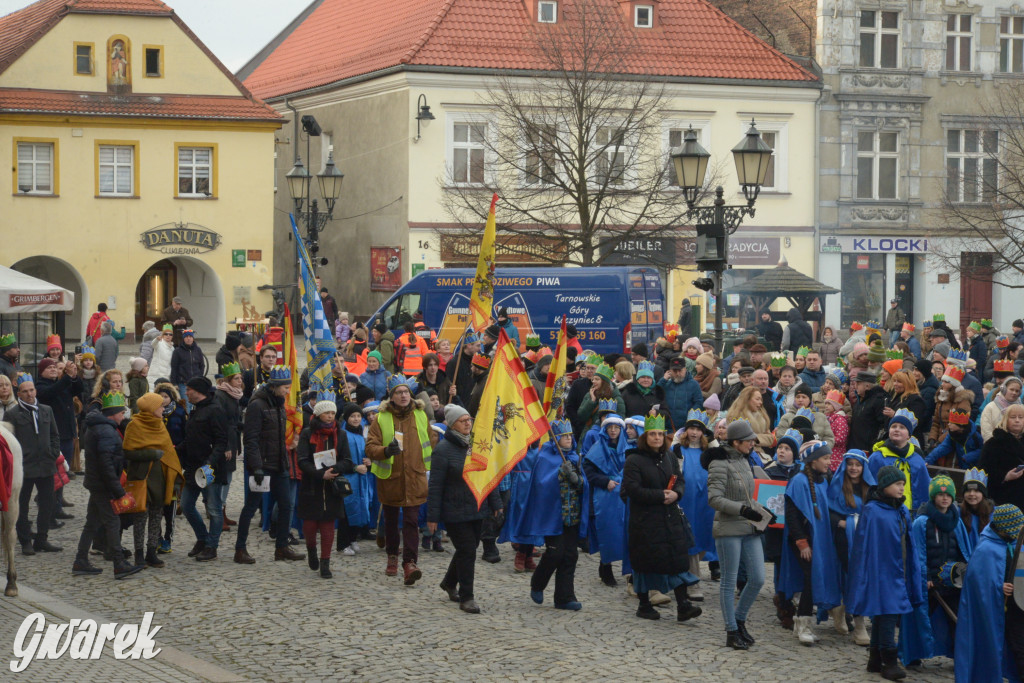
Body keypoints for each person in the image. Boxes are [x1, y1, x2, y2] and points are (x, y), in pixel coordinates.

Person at [621, 414, 703, 623]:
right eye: (653, 434)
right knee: (645, 564)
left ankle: (683, 605)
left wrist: (677, 494)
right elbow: (631, 489)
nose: (657, 438)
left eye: (660, 434)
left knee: (677, 560)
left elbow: (680, 480)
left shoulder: (669, 457)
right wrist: (659, 496)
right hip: (645, 521)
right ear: (645, 436)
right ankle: (644, 604)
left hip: (669, 517)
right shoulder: (634, 460)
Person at [847, 465, 924, 681]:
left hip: (898, 572)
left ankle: (874, 659)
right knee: (888, 615)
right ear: (886, 486)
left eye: (903, 485)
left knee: (883, 616)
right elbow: (865, 546)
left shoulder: (899, 509)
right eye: (898, 484)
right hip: (883, 572)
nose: (902, 489)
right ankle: (889, 661)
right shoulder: (873, 511)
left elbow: (907, 543)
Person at [428, 404, 503, 613]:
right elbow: (435, 485)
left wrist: (496, 503)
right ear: (452, 425)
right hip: (454, 509)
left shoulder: (476, 445)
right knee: (468, 550)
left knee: (467, 548)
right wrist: (432, 517)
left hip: (477, 506)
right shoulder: (442, 450)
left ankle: (449, 582)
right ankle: (467, 596)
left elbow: (487, 475)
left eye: (469, 419)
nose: (468, 423)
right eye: (463, 421)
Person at [365, 375, 439, 585]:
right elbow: (370, 447)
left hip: (415, 476)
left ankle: (410, 563)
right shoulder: (381, 418)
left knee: (411, 521)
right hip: (391, 478)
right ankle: (392, 556)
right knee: (391, 521)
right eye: (399, 392)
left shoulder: (420, 415)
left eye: (406, 392)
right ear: (392, 396)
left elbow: (431, 441)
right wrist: (386, 450)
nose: (403, 395)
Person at [706, 419, 767, 650]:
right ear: (736, 441)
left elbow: (749, 494)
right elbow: (714, 499)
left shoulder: (745, 460)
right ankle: (731, 630)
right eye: (749, 440)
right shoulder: (719, 463)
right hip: (729, 528)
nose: (753, 443)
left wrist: (762, 511)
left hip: (749, 527)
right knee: (729, 581)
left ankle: (740, 620)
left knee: (758, 578)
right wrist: (742, 509)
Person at [899, 475, 971, 667]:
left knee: (956, 620)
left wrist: (965, 574)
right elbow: (917, 553)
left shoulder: (957, 521)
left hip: (953, 581)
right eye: (940, 494)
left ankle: (959, 657)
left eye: (948, 494)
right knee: (919, 617)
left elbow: (963, 551)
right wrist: (926, 577)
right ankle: (912, 654)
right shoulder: (921, 522)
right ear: (933, 497)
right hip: (930, 581)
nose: (944, 498)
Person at [515, 419, 588, 611]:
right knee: (555, 553)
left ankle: (564, 597)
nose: (569, 440)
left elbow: (584, 485)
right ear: (556, 438)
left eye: (570, 436)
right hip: (553, 515)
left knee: (570, 555)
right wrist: (559, 475)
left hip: (572, 514)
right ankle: (538, 583)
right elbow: (541, 485)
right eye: (564, 436)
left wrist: (576, 479)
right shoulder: (545, 458)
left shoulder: (574, 457)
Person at [72, 391, 143, 580]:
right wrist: (118, 491)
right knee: (112, 521)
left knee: (92, 523)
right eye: (122, 412)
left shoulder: (98, 427)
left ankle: (80, 560)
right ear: (114, 413)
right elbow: (106, 465)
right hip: (103, 486)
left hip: (96, 483)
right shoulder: (107, 431)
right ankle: (119, 563)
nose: (123, 416)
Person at [236, 367, 304, 563]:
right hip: (262, 467)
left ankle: (282, 547)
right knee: (250, 507)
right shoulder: (257, 405)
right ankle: (240, 549)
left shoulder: (279, 403)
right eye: (284, 387)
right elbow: (250, 439)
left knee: (286, 505)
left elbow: (280, 437)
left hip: (279, 464)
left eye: (289, 387)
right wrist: (256, 466)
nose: (287, 391)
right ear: (274, 386)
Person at [780, 440, 842, 645]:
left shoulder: (824, 480)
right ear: (813, 460)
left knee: (814, 580)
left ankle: (803, 623)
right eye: (825, 458)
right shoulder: (799, 481)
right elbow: (792, 515)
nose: (829, 461)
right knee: (810, 580)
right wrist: (802, 542)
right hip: (803, 541)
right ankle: (803, 625)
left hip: (820, 541)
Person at [954, 503, 1024, 682]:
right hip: (994, 610)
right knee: (1000, 645)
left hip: (1017, 607)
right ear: (1005, 528)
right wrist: (999, 587)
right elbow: (978, 583)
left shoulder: (1017, 544)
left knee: (1019, 646)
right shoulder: (986, 548)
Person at [121, 392, 183, 569]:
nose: (163, 408)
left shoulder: (160, 424)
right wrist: (151, 454)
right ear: (151, 408)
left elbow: (168, 452)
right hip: (142, 478)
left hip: (161, 477)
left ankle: (151, 552)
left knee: (157, 515)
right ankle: (139, 554)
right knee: (141, 516)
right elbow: (128, 451)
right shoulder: (135, 425)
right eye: (160, 406)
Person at [296, 391, 354, 580]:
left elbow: (347, 459)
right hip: (312, 485)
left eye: (332, 412)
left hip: (332, 486)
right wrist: (321, 474)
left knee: (328, 525)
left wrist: (335, 469)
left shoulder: (341, 434)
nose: (330, 416)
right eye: (327, 412)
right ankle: (312, 549)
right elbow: (302, 460)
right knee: (311, 524)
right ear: (319, 414)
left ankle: (325, 562)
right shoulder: (307, 433)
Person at [9, 373, 62, 554]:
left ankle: (42, 538)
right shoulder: (12, 414)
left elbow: (55, 435)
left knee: (48, 504)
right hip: (24, 467)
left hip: (46, 464)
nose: (30, 394)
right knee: (21, 506)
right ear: (19, 394)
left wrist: (53, 453)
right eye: (25, 391)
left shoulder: (46, 410)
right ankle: (25, 541)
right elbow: (8, 442)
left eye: (32, 390)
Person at [826, 449, 875, 646]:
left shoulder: (871, 489)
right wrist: (841, 522)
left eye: (858, 465)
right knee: (846, 576)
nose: (854, 468)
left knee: (861, 578)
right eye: (851, 464)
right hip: (842, 540)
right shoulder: (837, 486)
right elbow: (828, 509)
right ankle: (841, 610)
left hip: (863, 540)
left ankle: (858, 620)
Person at [673, 410, 717, 600]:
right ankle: (693, 581)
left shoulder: (707, 451)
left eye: (698, 429)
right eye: (691, 428)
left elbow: (721, 459)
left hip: (705, 502)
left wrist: (713, 440)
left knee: (704, 539)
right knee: (689, 540)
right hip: (686, 500)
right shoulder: (678, 450)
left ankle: (683, 572)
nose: (694, 433)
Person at [583, 413, 628, 588]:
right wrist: (604, 481)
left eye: (617, 428)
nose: (614, 431)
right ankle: (606, 566)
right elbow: (588, 470)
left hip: (624, 494)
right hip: (606, 496)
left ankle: (629, 571)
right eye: (610, 428)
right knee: (608, 531)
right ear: (605, 429)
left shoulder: (628, 447)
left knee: (626, 531)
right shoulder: (597, 448)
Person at [868, 409, 931, 514]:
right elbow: (870, 486)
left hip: (912, 512)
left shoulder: (917, 459)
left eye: (902, 427)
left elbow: (924, 488)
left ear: (909, 435)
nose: (897, 429)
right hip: (884, 511)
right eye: (893, 426)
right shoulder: (878, 457)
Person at [211, 363, 244, 532]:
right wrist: (226, 447)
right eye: (236, 378)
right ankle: (217, 512)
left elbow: (234, 421)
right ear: (228, 380)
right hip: (225, 441)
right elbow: (220, 423)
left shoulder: (234, 395)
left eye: (240, 378)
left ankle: (222, 511)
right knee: (223, 478)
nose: (240, 381)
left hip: (233, 437)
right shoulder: (221, 396)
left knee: (229, 477)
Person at [978, 404, 1024, 509]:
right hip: (1003, 499)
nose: (1017, 420)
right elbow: (983, 471)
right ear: (1006, 419)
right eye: (1013, 417)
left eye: (1021, 417)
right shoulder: (993, 443)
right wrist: (1005, 477)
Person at [725, 386, 774, 463]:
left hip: (759, 456)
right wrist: (757, 438)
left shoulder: (762, 417)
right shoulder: (734, 416)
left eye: (761, 399)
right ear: (747, 399)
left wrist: (756, 438)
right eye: (757, 399)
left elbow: (771, 439)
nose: (760, 402)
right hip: (739, 457)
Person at [657, 356, 703, 432]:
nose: (678, 373)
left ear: (685, 369)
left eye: (680, 370)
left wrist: (690, 417)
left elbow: (698, 402)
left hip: (685, 428)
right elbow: (655, 395)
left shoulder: (693, 384)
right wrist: (663, 380)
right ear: (670, 371)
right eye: (675, 371)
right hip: (666, 427)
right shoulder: (666, 383)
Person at [848, 371, 888, 452]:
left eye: (858, 384)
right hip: (856, 447)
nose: (855, 387)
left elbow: (883, 426)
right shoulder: (860, 399)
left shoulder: (879, 400)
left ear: (867, 386)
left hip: (869, 449)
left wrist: (873, 445)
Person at [980, 376, 1023, 442]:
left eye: (1017, 391)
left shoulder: (1021, 408)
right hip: (996, 447)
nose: (1014, 393)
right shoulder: (990, 407)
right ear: (1004, 389)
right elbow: (986, 431)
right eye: (1011, 389)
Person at [960, 467, 993, 546]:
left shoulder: (993, 514)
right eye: (968, 490)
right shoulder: (959, 513)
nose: (971, 494)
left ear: (983, 494)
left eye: (976, 491)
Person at [148, 325, 174, 389]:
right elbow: (153, 344)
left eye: (170, 334)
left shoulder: (172, 348)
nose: (168, 336)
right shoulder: (160, 343)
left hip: (166, 375)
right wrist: (156, 339)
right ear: (162, 335)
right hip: (156, 375)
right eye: (166, 334)